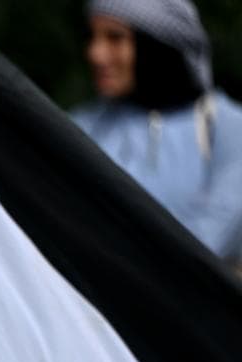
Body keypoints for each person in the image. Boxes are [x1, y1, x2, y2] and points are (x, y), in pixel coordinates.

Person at [71, 0, 242, 265]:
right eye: (92, 37)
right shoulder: (87, 125)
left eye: (115, 38)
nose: (95, 53)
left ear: (156, 44)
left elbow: (207, 241)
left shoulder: (226, 128)